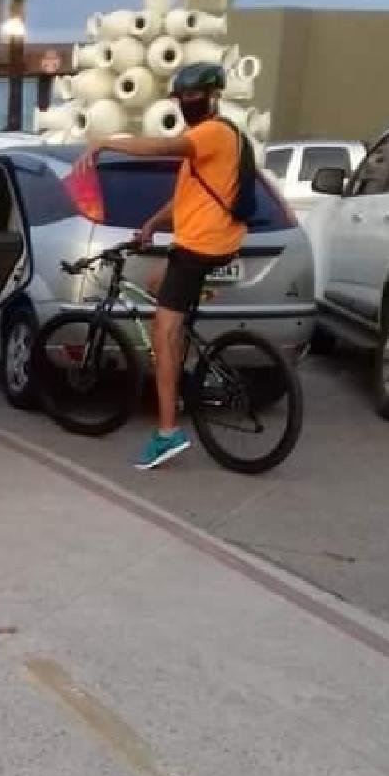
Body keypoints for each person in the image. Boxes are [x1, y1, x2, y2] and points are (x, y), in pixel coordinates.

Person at [83, 62, 247, 471]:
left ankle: (168, 432)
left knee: (162, 332)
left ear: (212, 97)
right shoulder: (214, 141)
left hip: (200, 247)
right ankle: (187, 338)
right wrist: (152, 225)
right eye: (181, 99)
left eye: (193, 98)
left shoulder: (211, 133)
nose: (186, 105)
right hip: (203, 244)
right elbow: (190, 198)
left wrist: (108, 141)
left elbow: (160, 148)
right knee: (158, 282)